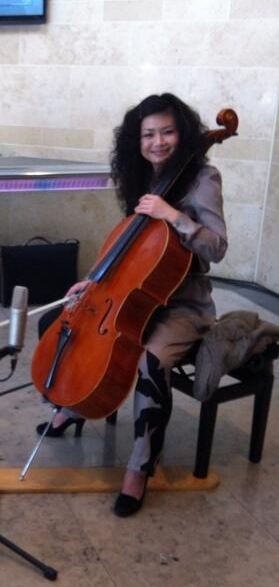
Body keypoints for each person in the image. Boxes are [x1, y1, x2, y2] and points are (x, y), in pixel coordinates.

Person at [38, 93, 227, 517]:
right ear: (135, 140)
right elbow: (132, 245)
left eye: (167, 131)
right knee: (66, 324)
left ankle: (140, 469)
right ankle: (74, 406)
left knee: (149, 362)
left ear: (183, 133)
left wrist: (174, 217)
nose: (158, 142)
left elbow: (217, 248)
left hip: (183, 306)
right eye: (148, 134)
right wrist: (95, 279)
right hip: (131, 294)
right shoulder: (143, 176)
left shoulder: (203, 178)